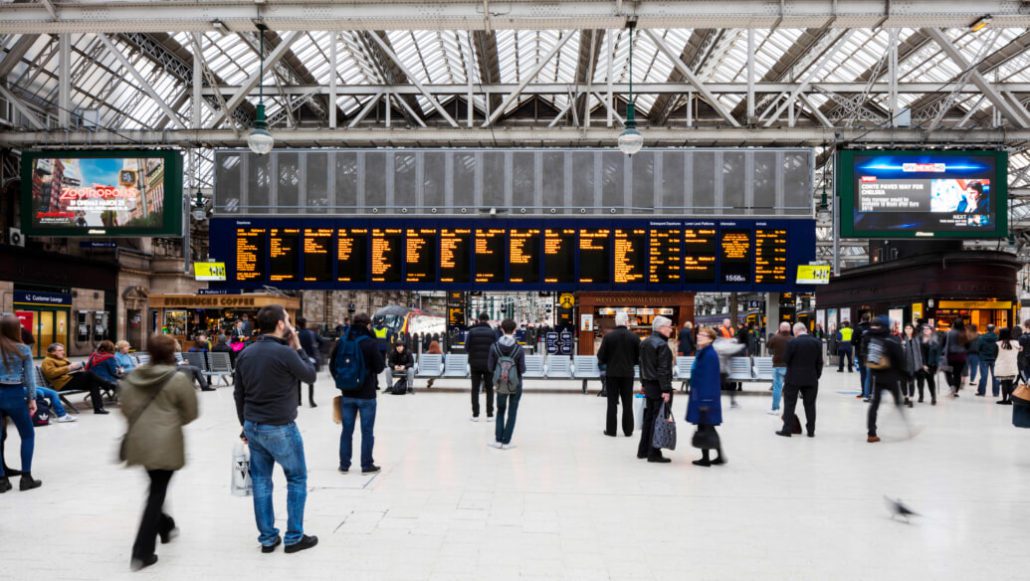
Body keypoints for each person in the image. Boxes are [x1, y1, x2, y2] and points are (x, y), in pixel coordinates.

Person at [234, 305, 318, 554]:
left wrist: (244, 425)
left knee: (261, 481)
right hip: (280, 426)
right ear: (281, 324)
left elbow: (239, 394)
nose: (290, 324)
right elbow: (310, 376)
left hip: (253, 425)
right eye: (288, 320)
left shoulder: (246, 353)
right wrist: (299, 347)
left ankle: (268, 538)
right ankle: (294, 537)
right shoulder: (286, 353)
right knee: (296, 478)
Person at [120, 334, 199, 571]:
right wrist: (170, 422)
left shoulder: (133, 377)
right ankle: (142, 552)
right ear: (171, 353)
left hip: (139, 441)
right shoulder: (177, 378)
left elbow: (125, 407)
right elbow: (191, 413)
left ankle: (165, 527)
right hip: (166, 442)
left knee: (156, 486)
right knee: (156, 493)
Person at [330, 313, 385, 474]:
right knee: (367, 431)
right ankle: (366, 464)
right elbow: (379, 367)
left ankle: (344, 464)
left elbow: (333, 365)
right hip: (367, 394)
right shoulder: (369, 343)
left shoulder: (342, 341)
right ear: (368, 325)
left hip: (347, 394)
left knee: (347, 430)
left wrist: (342, 382)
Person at [0, 315, 41, 492]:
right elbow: (30, 378)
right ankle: (26, 478)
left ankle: (2, 481)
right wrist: (32, 399)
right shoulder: (23, 349)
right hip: (14, 394)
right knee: (27, 435)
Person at [596, 312, 640, 437]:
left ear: (616, 322)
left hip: (612, 374)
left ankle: (611, 430)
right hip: (628, 374)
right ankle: (628, 430)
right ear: (627, 322)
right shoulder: (634, 337)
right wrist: (631, 362)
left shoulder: (608, 337)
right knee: (627, 403)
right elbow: (639, 357)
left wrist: (609, 361)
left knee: (612, 403)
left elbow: (601, 356)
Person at [638, 316, 675, 463]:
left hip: (649, 385)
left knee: (649, 418)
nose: (671, 330)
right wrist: (666, 390)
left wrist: (643, 383)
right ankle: (654, 452)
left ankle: (643, 450)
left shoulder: (644, 342)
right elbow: (663, 370)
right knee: (658, 419)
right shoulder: (662, 345)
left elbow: (641, 365)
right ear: (661, 328)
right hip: (659, 387)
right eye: (669, 327)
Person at [776, 323, 823, 438]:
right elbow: (819, 362)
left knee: (789, 404)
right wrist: (816, 375)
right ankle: (811, 431)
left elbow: (785, 360)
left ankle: (787, 430)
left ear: (795, 331)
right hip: (811, 378)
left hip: (793, 378)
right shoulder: (817, 343)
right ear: (805, 330)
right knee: (810, 405)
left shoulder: (792, 343)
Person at [686, 327, 725, 466]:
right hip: (702, 395)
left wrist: (705, 400)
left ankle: (706, 459)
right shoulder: (704, 352)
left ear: (710, 339)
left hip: (705, 397)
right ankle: (719, 456)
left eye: (703, 335)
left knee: (704, 427)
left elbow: (709, 379)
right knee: (708, 427)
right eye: (699, 334)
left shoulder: (709, 355)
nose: (699, 336)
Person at [865, 316, 906, 443]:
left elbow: (867, 355)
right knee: (898, 402)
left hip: (877, 377)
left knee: (874, 405)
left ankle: (871, 434)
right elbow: (901, 360)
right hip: (891, 377)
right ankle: (907, 428)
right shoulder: (892, 340)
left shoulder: (872, 338)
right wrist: (906, 376)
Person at [487, 319, 526, 449]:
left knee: (500, 410)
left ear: (502, 329)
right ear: (514, 330)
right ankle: (507, 441)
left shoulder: (494, 347)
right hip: (516, 383)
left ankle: (498, 440)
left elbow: (490, 367)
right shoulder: (519, 349)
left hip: (500, 383)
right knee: (512, 412)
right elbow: (522, 369)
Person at [41, 342, 110, 414]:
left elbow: (67, 370)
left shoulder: (61, 358)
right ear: (53, 352)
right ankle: (108, 385)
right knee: (89, 374)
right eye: (60, 350)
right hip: (62, 383)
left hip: (69, 379)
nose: (63, 352)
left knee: (93, 383)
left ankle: (98, 408)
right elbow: (51, 373)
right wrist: (69, 368)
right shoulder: (47, 360)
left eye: (63, 350)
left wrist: (77, 369)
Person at [466, 313, 499, 422]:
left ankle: (475, 415)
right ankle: (490, 415)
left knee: (475, 389)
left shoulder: (472, 332)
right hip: (489, 365)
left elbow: (466, 348)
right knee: (489, 389)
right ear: (488, 320)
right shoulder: (493, 332)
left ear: (479, 320)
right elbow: (496, 348)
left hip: (475, 364)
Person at [765, 322, 792, 416]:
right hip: (790, 367)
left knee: (777, 388)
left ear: (780, 329)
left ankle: (775, 409)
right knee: (790, 389)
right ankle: (789, 410)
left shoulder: (776, 338)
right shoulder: (793, 339)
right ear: (789, 329)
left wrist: (775, 335)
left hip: (777, 366)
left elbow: (768, 345)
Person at [296, 318, 323, 408]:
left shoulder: (296, 334)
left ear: (297, 324)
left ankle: (299, 400)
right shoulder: (311, 333)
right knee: (311, 380)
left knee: (298, 380)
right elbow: (322, 341)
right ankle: (311, 401)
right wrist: (317, 349)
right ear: (305, 323)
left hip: (299, 358)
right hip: (311, 358)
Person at [943, 319, 969, 397]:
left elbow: (944, 344)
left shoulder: (949, 333)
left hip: (950, 356)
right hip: (961, 356)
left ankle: (952, 386)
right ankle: (956, 391)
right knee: (957, 374)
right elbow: (968, 346)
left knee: (948, 372)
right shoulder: (964, 334)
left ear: (953, 324)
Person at [916, 325, 941, 405]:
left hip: (931, 364)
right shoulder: (919, 339)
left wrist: (937, 364)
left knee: (930, 380)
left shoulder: (935, 340)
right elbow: (917, 352)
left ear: (931, 330)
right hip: (920, 363)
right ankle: (921, 396)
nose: (926, 330)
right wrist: (922, 364)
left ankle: (933, 397)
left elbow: (938, 354)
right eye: (924, 329)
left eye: (928, 329)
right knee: (920, 381)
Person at [994, 328, 1019, 405]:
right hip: (1012, 366)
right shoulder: (1016, 343)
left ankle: (1004, 399)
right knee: (1010, 383)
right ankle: (1010, 399)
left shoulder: (998, 344)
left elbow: (995, 355)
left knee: (1004, 383)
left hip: (1002, 366)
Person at [900, 324, 921, 408]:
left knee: (911, 382)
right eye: (906, 328)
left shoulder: (916, 339)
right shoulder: (901, 338)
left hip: (913, 363)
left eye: (910, 328)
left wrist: (920, 363)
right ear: (904, 329)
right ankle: (905, 396)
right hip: (902, 364)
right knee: (903, 382)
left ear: (913, 329)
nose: (908, 330)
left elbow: (919, 352)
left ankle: (911, 399)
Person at [976, 324, 1000, 398]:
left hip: (984, 358)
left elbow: (978, 347)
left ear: (986, 329)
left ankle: (982, 392)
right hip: (994, 359)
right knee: (995, 376)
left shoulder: (982, 337)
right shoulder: (997, 338)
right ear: (994, 329)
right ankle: (996, 392)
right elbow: (998, 348)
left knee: (984, 376)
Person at [854, 315, 871, 400]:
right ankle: (869, 392)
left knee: (863, 373)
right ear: (869, 319)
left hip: (860, 353)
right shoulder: (872, 328)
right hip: (870, 353)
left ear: (861, 319)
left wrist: (858, 342)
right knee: (870, 373)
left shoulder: (858, 328)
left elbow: (852, 341)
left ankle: (864, 392)